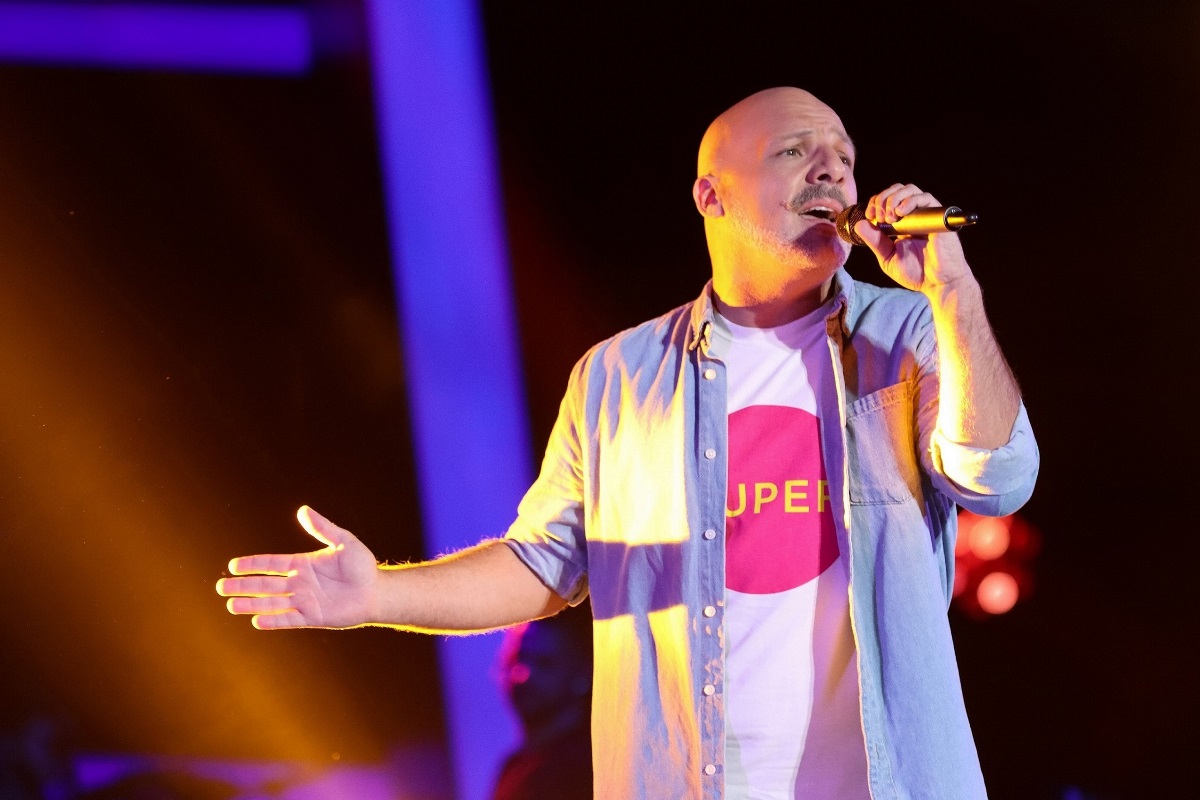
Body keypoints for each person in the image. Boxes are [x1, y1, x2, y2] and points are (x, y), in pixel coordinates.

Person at [217, 86, 1039, 799]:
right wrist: (377, 597)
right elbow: (543, 564)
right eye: (796, 151)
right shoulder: (619, 376)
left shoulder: (911, 332)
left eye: (844, 157)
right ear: (711, 196)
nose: (833, 171)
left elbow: (998, 477)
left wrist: (954, 292)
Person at [490, 609, 592, 800]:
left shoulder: (584, 768)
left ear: (582, 671)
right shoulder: (515, 765)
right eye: (518, 658)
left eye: (545, 663)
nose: (523, 675)